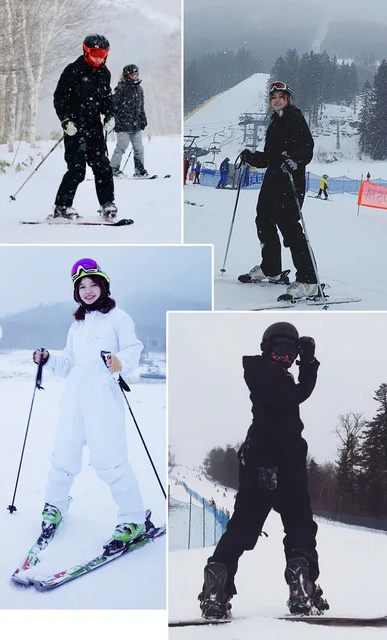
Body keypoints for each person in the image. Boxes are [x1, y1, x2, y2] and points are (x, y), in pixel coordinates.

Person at [198, 322, 329, 620]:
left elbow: (298, 393)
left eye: (290, 353)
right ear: (267, 350)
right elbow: (296, 397)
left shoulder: (269, 374)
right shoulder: (266, 375)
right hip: (272, 460)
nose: (285, 358)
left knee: (247, 526)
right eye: (280, 351)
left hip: (272, 459)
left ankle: (217, 590)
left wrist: (306, 363)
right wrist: (307, 364)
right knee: (297, 527)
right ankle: (301, 584)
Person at [33, 258, 147, 551]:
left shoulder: (119, 318)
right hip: (73, 401)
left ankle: (133, 518)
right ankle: (55, 505)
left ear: (103, 287)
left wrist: (117, 361)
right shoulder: (78, 324)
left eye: (92, 285)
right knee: (63, 456)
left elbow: (134, 349)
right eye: (81, 286)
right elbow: (70, 361)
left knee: (110, 461)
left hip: (103, 402)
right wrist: (49, 360)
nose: (87, 291)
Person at [238, 81, 318, 300]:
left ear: (288, 99)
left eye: (281, 96)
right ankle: (271, 268)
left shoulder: (294, 116)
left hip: (290, 179)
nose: (277, 100)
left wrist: (296, 160)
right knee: (263, 220)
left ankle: (309, 280)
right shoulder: (275, 121)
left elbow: (307, 147)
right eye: (273, 97)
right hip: (272, 180)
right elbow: (270, 157)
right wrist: (251, 157)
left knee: (290, 227)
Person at [52, 34, 117, 221]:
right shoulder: (73, 71)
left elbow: (106, 99)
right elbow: (59, 98)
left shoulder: (105, 73)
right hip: (75, 128)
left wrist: (110, 115)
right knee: (77, 170)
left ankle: (107, 204)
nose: (100, 57)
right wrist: (65, 120)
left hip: (94, 128)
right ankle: (62, 206)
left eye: (104, 53)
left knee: (103, 166)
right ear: (87, 51)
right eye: (96, 53)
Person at [110, 64, 148, 178]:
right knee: (122, 146)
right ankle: (113, 168)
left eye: (137, 73)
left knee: (139, 148)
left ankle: (139, 170)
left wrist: (143, 118)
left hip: (135, 124)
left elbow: (141, 107)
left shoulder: (139, 89)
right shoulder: (121, 88)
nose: (136, 75)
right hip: (123, 124)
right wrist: (117, 116)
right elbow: (113, 105)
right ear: (128, 75)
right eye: (134, 73)